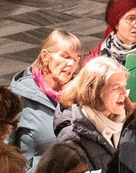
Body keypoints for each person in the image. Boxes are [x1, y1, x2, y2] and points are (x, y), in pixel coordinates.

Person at [13, 30, 86, 160]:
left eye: (76, 59)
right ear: (45, 57)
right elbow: (4, 149)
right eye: (65, 56)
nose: (72, 64)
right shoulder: (19, 97)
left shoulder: (80, 95)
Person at [59, 57, 134, 171]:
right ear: (94, 91)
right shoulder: (73, 137)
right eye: (116, 87)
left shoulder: (128, 125)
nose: (124, 93)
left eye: (124, 86)